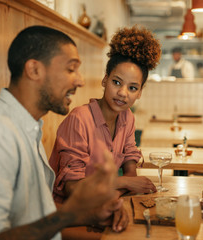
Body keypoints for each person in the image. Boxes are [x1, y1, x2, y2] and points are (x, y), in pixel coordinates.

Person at [0, 25, 127, 240]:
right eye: (71, 69)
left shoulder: (26, 126)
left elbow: (30, 216)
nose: (80, 80)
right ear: (34, 70)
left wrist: (89, 214)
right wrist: (69, 212)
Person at [49, 26, 161, 204]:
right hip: (68, 213)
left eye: (132, 88)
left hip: (104, 203)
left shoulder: (127, 117)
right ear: (105, 80)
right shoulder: (79, 119)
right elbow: (73, 189)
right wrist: (124, 182)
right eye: (117, 82)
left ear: (139, 92)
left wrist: (127, 183)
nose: (123, 93)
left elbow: (130, 158)